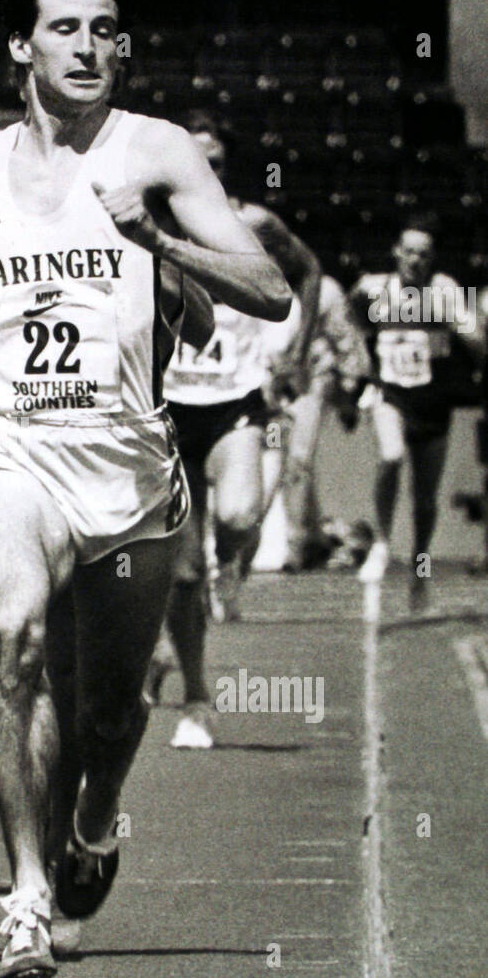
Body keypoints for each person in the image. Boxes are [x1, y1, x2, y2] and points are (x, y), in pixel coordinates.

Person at [0, 0, 291, 978]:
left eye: (105, 29)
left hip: (129, 468)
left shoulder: (157, 153)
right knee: (7, 631)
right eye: (65, 27)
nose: (88, 46)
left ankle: (92, 824)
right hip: (9, 449)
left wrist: (161, 243)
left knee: (110, 706)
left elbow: (269, 289)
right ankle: (26, 898)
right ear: (20, 46)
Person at [156, 113, 321, 749]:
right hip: (168, 410)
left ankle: (232, 564)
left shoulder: (253, 225)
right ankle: (198, 697)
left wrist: (299, 354)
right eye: (195, 160)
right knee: (185, 574)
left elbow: (308, 270)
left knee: (243, 514)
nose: (206, 172)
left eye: (216, 162)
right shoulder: (154, 228)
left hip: (234, 403)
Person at [351, 213, 485, 608]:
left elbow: (476, 342)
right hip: (390, 393)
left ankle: (419, 570)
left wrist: (457, 322)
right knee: (391, 457)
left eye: (423, 254)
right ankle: (380, 542)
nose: (415, 260)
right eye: (408, 252)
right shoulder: (374, 288)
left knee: (425, 501)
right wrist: (361, 365)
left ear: (433, 258)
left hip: (432, 401)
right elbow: (349, 319)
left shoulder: (443, 289)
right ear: (396, 252)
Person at [279, 273, 372, 572]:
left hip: (312, 385)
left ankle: (296, 546)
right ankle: (316, 538)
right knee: (283, 460)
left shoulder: (325, 289)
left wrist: (350, 389)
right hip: (268, 386)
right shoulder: (250, 274)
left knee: (298, 460)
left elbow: (345, 339)